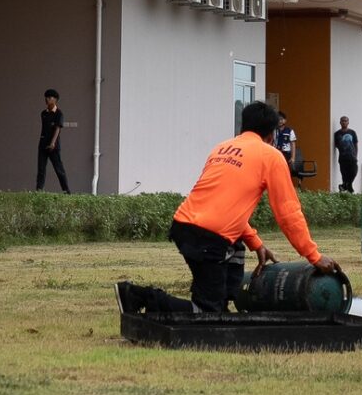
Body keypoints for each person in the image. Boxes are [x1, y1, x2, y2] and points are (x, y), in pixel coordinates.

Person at [115, 101, 341, 316]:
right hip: (207, 238)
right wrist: (314, 256)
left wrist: (256, 243)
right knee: (207, 315)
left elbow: (224, 206)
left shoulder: (222, 148)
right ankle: (137, 296)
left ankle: (219, 301)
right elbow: (288, 213)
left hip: (184, 226)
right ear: (272, 135)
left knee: (235, 251)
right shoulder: (271, 156)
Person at [36, 89, 70, 192]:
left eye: (50, 97)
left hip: (53, 146)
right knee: (41, 169)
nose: (47, 99)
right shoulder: (43, 113)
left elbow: (57, 128)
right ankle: (39, 190)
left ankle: (66, 191)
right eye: (46, 97)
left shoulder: (59, 113)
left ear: (55, 100)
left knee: (59, 169)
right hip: (43, 144)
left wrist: (52, 143)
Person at [333, 115, 361, 193]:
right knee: (344, 174)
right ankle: (347, 188)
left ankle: (347, 185)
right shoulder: (337, 134)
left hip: (352, 157)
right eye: (342, 121)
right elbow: (336, 145)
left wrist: (355, 155)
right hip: (343, 158)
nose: (344, 122)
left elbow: (355, 144)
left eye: (345, 121)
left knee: (354, 172)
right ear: (340, 122)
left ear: (348, 122)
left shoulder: (352, 132)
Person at [276, 110, 300, 179]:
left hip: (286, 154)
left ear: (285, 120)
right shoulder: (274, 130)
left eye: (281, 119)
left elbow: (293, 144)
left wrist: (293, 157)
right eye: (278, 119)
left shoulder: (289, 131)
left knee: (286, 171)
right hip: (276, 153)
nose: (280, 121)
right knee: (276, 171)